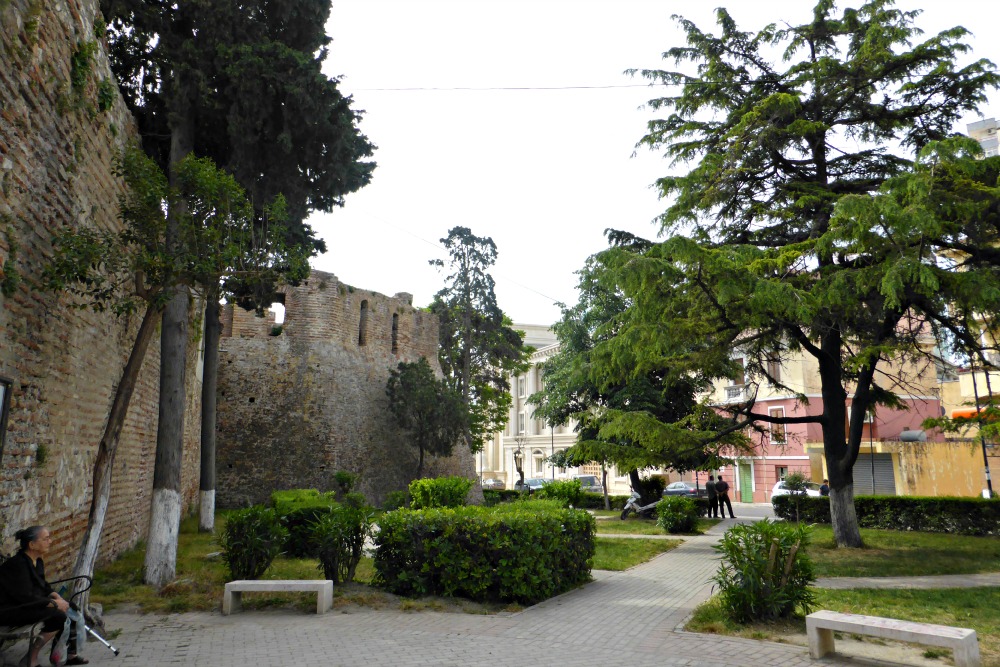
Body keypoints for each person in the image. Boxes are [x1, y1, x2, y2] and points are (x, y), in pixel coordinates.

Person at [0, 526, 88, 666]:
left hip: (26, 605)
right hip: (10, 609)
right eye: (46, 539)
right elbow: (25, 596)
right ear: (32, 544)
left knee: (71, 608)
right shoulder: (18, 565)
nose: (50, 541)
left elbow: (43, 586)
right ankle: (30, 659)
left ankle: (69, 655)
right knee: (57, 616)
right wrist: (54, 604)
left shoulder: (37, 561)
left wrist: (57, 597)